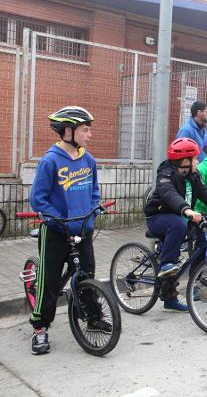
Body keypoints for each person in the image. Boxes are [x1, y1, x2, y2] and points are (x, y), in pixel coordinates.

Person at [29, 106, 101, 355]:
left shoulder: (87, 159)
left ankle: (93, 317)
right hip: (56, 231)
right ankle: (39, 328)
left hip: (83, 228)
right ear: (68, 131)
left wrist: (93, 211)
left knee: (87, 274)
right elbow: (38, 199)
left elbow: (94, 192)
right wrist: (57, 220)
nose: (89, 135)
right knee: (49, 282)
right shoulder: (50, 160)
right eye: (85, 130)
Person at [144, 138, 207, 312]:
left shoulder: (192, 176)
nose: (197, 162)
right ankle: (167, 265)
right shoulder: (166, 174)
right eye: (194, 159)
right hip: (158, 217)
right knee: (178, 225)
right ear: (184, 161)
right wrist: (186, 210)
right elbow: (169, 195)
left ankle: (170, 300)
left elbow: (206, 194)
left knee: (198, 228)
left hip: (181, 216)